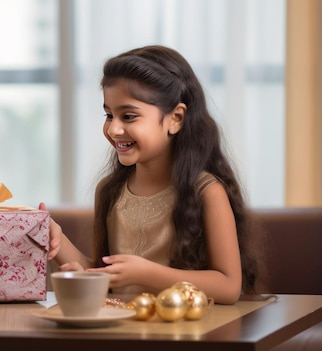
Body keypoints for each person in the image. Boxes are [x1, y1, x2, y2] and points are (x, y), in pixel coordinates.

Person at [43, 45, 259, 305]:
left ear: (175, 118)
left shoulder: (207, 192)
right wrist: (57, 239)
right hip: (122, 334)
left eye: (129, 116)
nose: (113, 129)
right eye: (109, 115)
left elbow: (228, 287)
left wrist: (147, 273)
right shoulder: (109, 191)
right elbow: (107, 274)